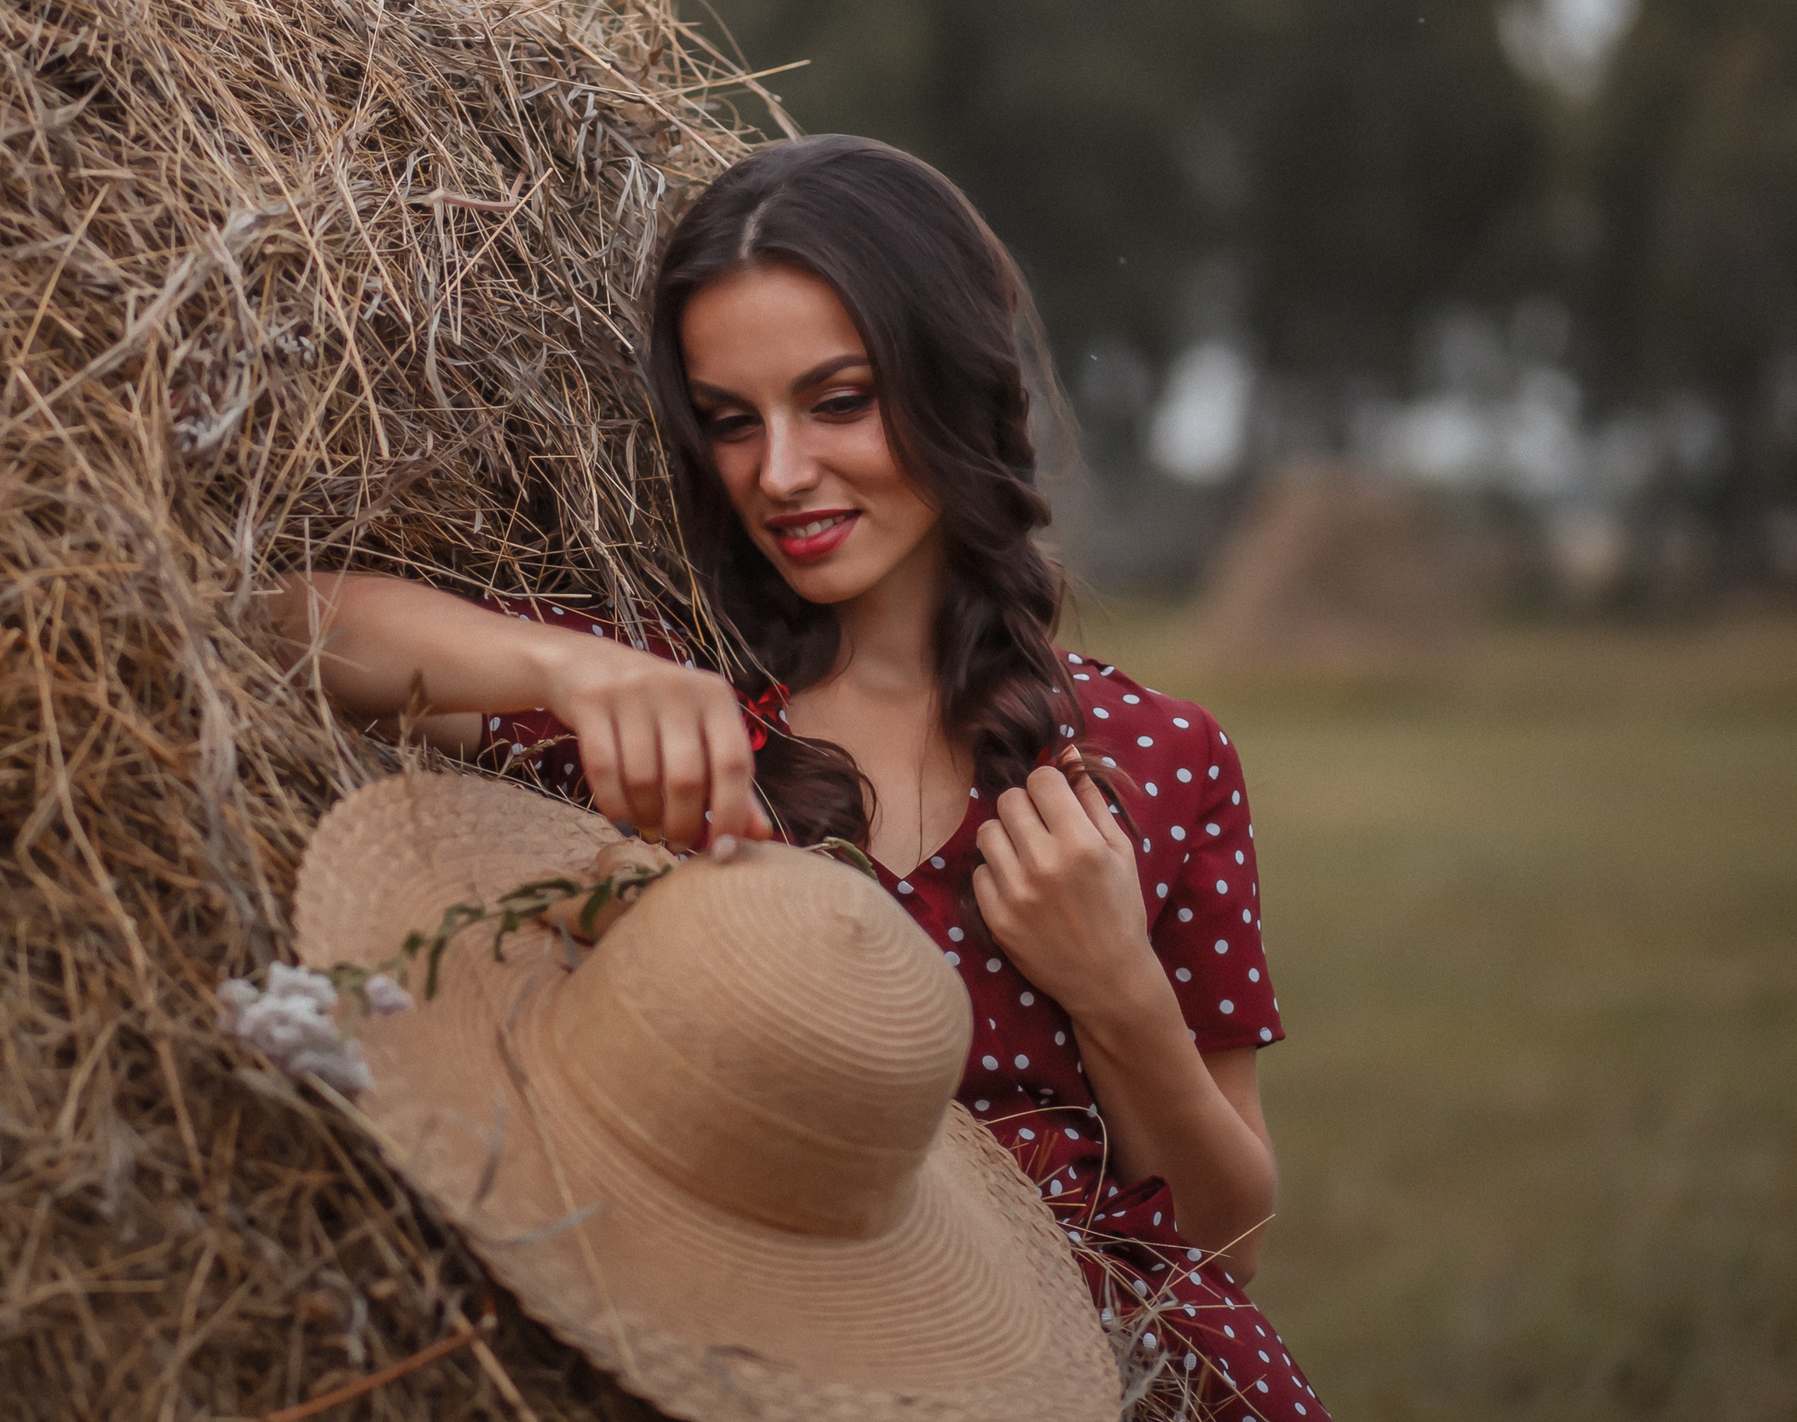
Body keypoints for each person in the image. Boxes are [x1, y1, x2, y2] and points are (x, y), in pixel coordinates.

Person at [282, 135, 1329, 1421]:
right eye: (731, 421)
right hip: (743, 1358)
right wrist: (560, 669)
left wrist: (1116, 990)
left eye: (838, 402)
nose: (779, 474)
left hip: (1110, 1380)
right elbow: (281, 624)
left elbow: (1230, 1244)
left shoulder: (1158, 754)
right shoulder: (677, 706)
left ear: (954, 383)